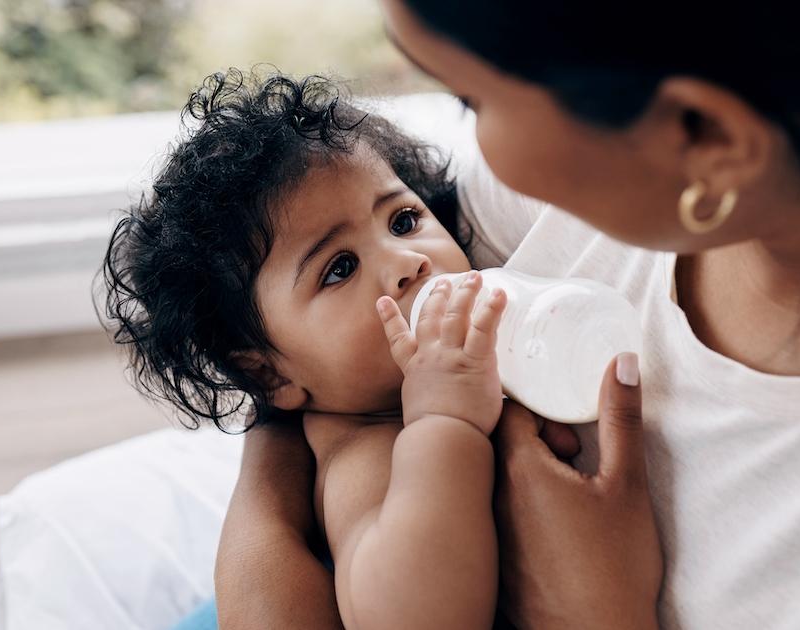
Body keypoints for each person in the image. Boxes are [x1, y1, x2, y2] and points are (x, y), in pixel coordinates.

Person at [215, 0, 800, 628]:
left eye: (474, 102)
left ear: (704, 137)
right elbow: (309, 367)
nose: (410, 257)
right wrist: (309, 425)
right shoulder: (639, 155)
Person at [103, 69, 565, 629]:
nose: (406, 262)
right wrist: (445, 424)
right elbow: (414, 618)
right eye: (339, 268)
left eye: (403, 219)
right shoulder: (366, 452)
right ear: (271, 378)